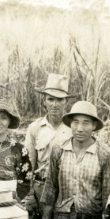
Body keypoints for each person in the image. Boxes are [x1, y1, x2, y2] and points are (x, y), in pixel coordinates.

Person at [25, 74, 72, 204]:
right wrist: (29, 195)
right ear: (44, 101)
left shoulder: (73, 129)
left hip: (66, 190)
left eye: (59, 100)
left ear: (66, 102)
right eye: (51, 99)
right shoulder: (34, 128)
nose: (55, 104)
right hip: (40, 188)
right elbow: (28, 165)